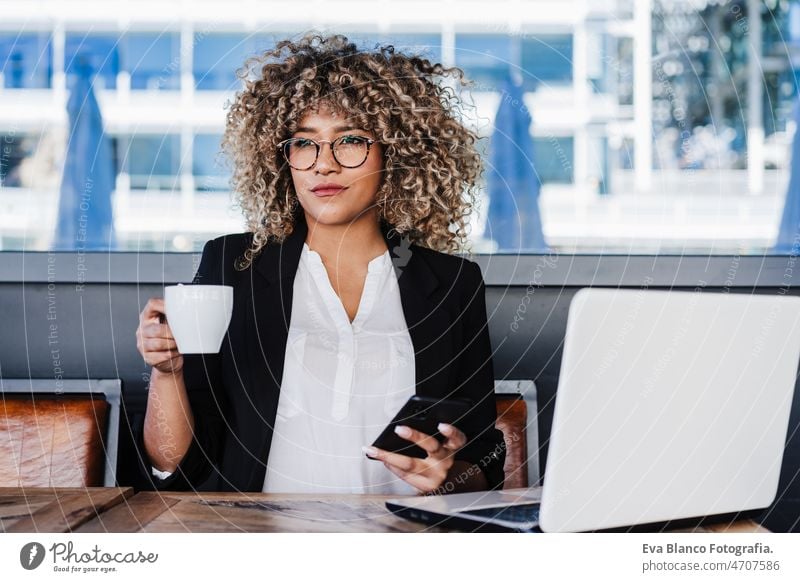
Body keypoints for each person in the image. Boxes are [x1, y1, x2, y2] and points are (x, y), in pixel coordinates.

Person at [135, 33, 506, 494]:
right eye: (304, 144)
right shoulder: (233, 265)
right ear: (283, 158)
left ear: (395, 152)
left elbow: (485, 453)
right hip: (259, 544)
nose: (323, 165)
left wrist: (450, 476)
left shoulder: (452, 283)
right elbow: (172, 463)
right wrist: (167, 372)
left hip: (399, 546)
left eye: (349, 141)